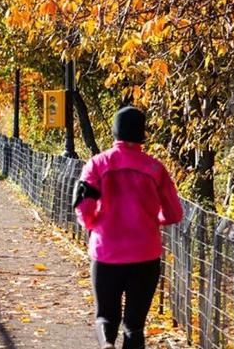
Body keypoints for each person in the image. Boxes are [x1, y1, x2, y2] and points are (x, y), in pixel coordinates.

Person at [72, 106, 183, 349]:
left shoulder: (97, 164)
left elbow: (83, 205)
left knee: (105, 315)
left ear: (115, 132)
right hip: (145, 253)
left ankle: (106, 345)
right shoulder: (155, 169)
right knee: (134, 325)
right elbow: (174, 213)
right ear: (142, 134)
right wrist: (152, 219)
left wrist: (93, 224)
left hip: (105, 252)